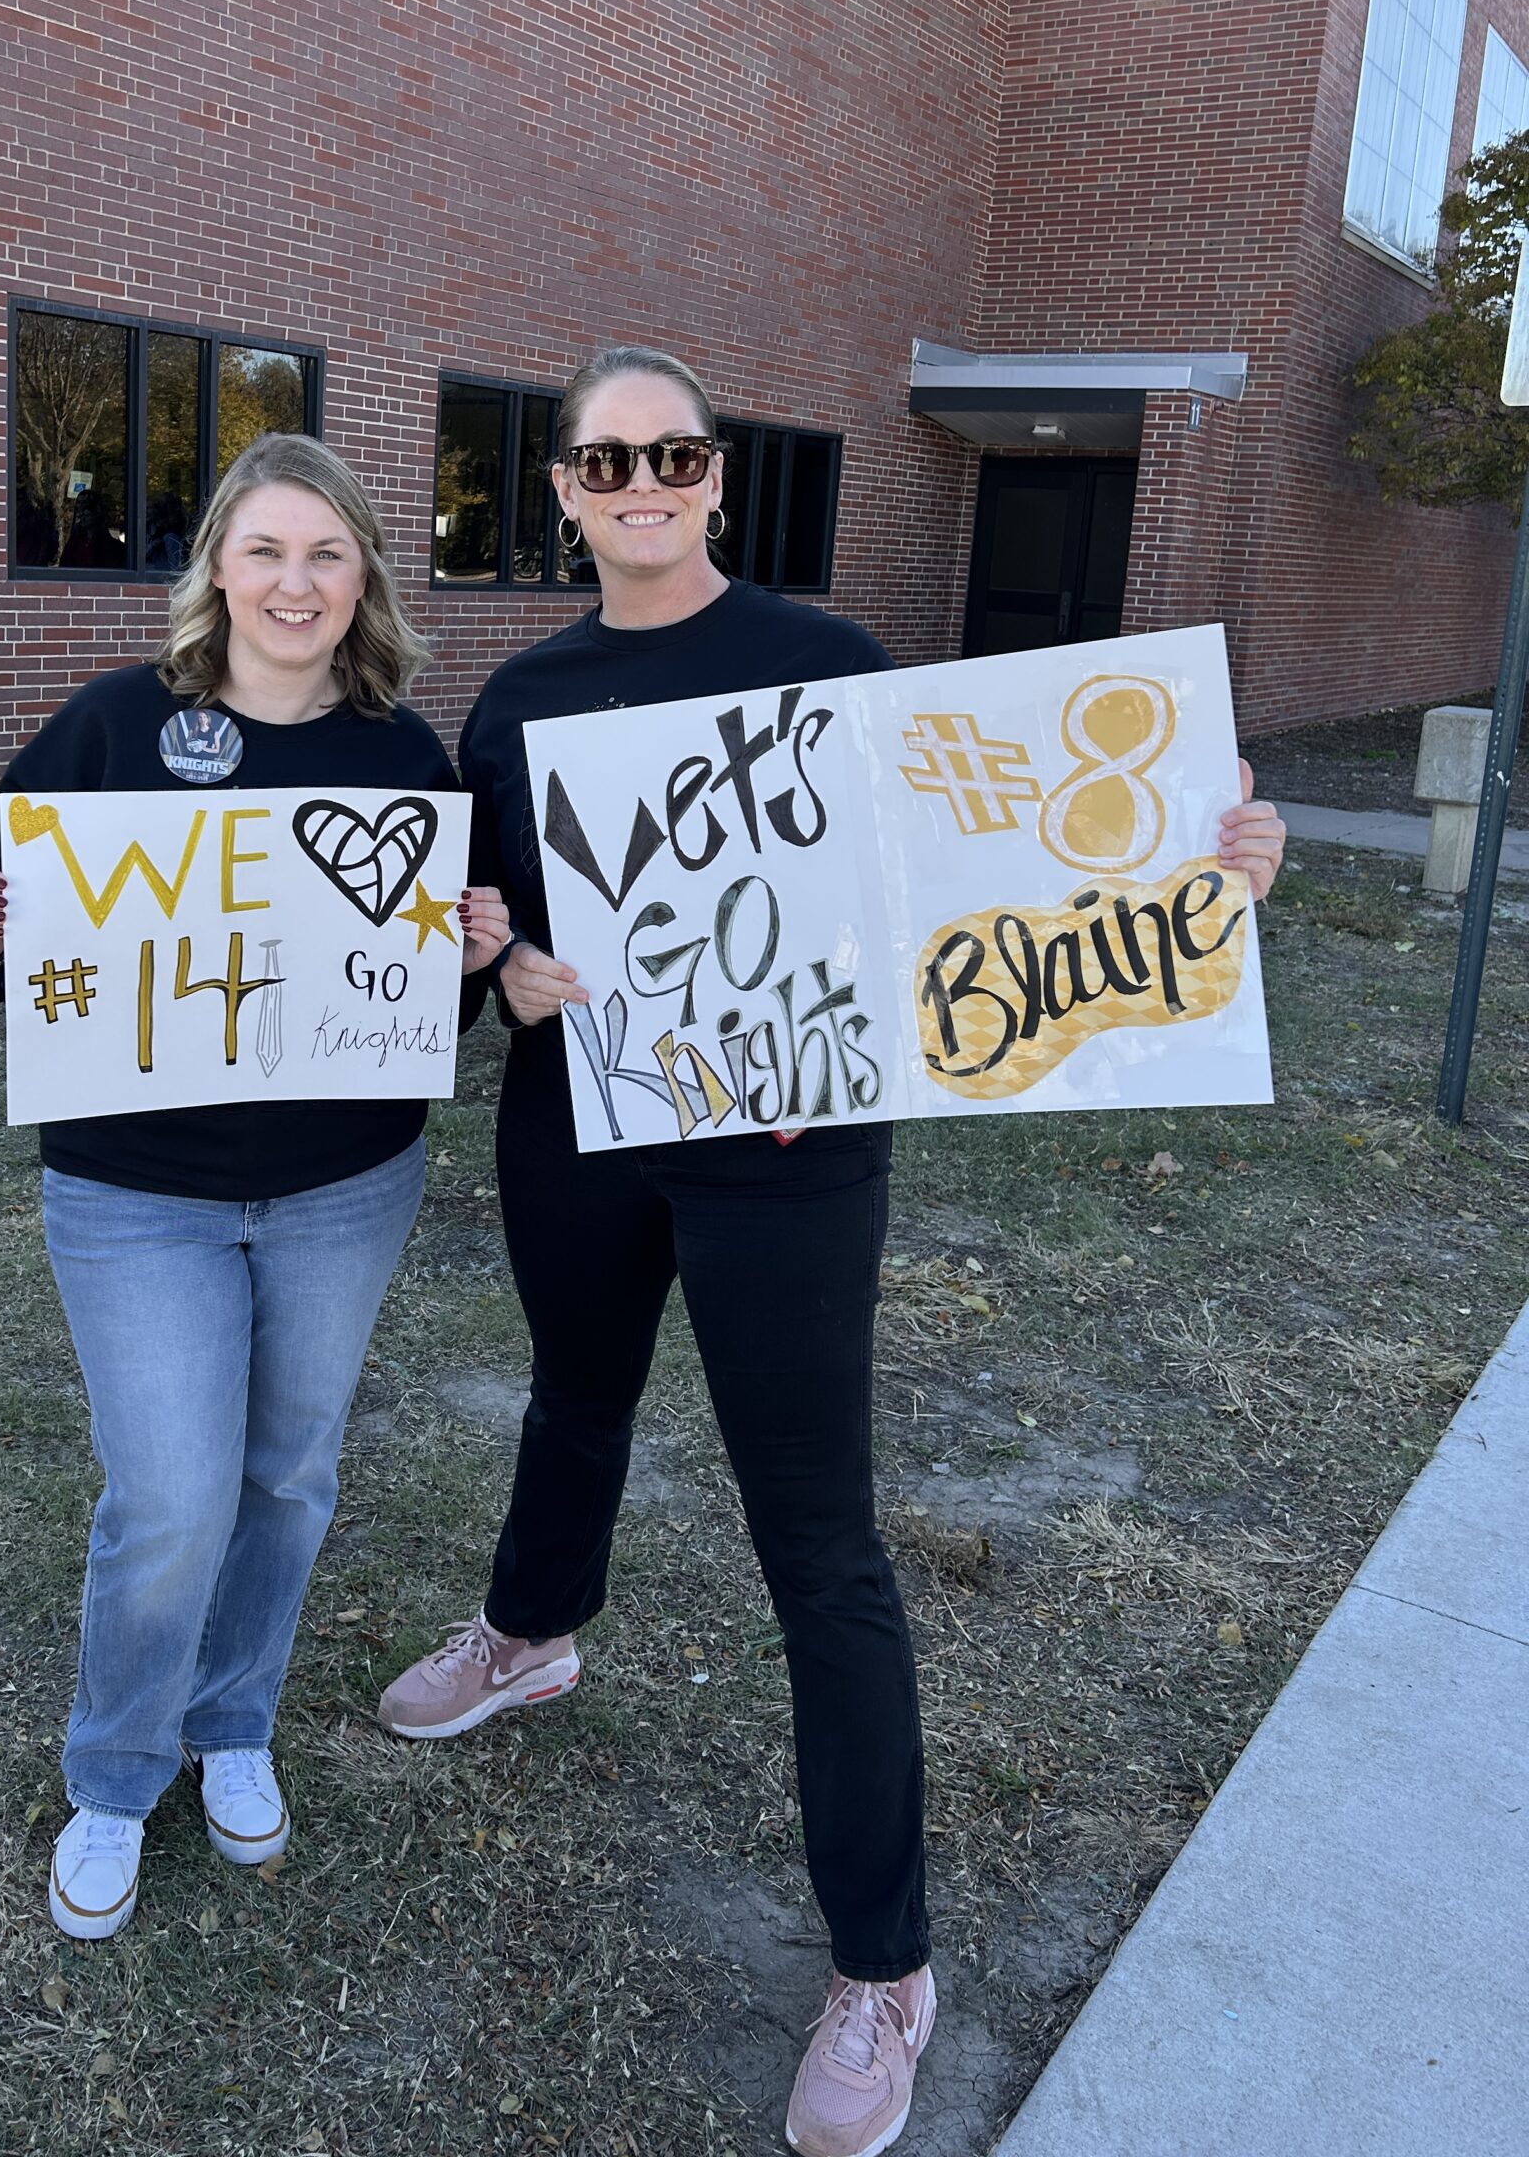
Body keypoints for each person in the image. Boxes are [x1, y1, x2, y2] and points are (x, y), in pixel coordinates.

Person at [377, 347, 1288, 2157]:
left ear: (718, 480)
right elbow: (477, 933)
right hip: (581, 1133)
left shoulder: (828, 665)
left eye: (674, 454)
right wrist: (501, 968)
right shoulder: (519, 700)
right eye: (604, 459)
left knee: (821, 1539)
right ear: (562, 491)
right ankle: (533, 1630)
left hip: (786, 1156)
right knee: (575, 1399)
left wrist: (1211, 867)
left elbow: (956, 884)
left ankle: (886, 1965)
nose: (641, 481)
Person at [0, 433, 510, 1942]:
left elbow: (405, 1018)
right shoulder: (118, 726)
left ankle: (232, 1719)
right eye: (264, 551)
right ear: (216, 573)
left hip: (342, 1186)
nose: (295, 582)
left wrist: (455, 963)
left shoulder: (400, 759)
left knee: (287, 1474)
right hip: (137, 1193)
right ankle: (117, 1773)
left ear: (363, 574)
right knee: (172, 1494)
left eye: (325, 553)